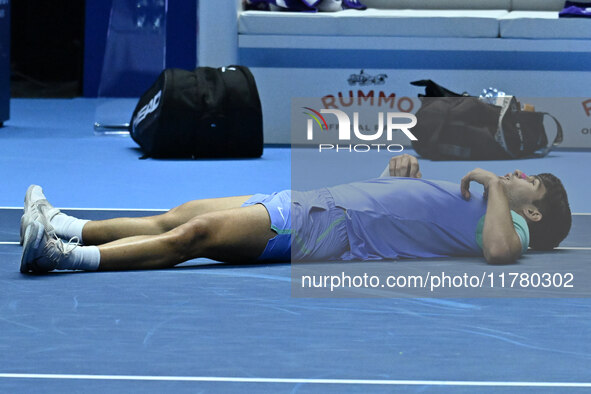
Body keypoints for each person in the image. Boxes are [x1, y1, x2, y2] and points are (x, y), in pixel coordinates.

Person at [19, 154, 571, 273]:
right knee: (182, 212)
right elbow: (403, 214)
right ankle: (64, 223)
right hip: (319, 201)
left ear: (536, 216)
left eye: (532, 183)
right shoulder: (493, 203)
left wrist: (497, 186)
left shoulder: (511, 223)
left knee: (196, 234)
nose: (521, 175)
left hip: (325, 226)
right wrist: (391, 178)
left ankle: (62, 256)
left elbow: (500, 251)